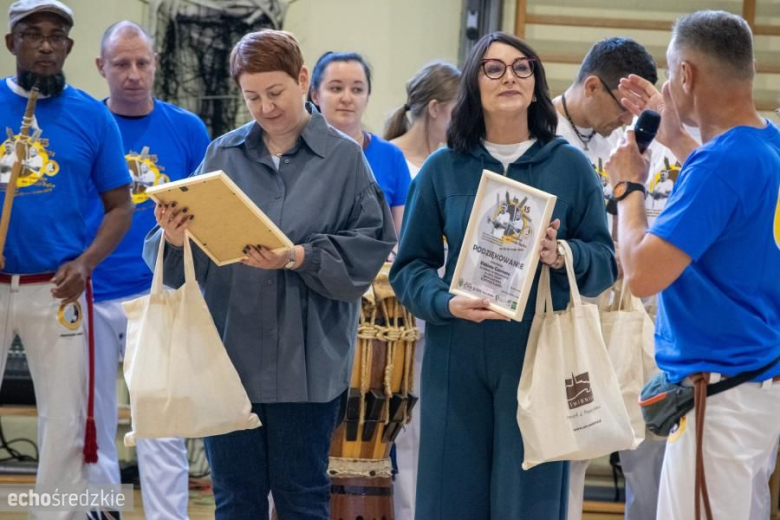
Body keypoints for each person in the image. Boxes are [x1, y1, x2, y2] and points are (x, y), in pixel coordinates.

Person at [143, 29, 396, 520]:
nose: (265, 107)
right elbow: (173, 261)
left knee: (301, 496)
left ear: (303, 80)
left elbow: (369, 248)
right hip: (228, 360)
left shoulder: (345, 160)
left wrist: (297, 256)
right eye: (252, 97)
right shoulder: (222, 155)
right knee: (235, 498)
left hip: (309, 367)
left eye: (275, 93)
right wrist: (173, 237)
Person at [389, 31, 616, 520]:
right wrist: (443, 301)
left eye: (521, 67)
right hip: (456, 352)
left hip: (538, 351)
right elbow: (409, 268)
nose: (509, 77)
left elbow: (605, 261)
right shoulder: (442, 169)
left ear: (536, 83)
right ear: (474, 84)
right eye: (493, 68)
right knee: (450, 500)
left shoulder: (571, 167)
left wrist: (565, 255)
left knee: (529, 503)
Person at [606, 10, 780, 520]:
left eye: (669, 70)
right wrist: (678, 137)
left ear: (686, 74)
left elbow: (641, 274)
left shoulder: (720, 164)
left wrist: (627, 187)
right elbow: (728, 202)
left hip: (718, 399)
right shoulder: (766, 144)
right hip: (753, 385)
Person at [0, 1, 133, 519]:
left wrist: (87, 262)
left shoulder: (92, 115)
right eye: (33, 34)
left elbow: (120, 207)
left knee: (65, 421)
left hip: (58, 287)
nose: (46, 45)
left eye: (57, 35)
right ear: (12, 44)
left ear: (71, 48)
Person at [84, 21, 211, 520]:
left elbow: (205, 210)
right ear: (101, 67)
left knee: (161, 425)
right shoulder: (86, 123)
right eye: (121, 64)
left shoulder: (187, 129)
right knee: (89, 424)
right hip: (91, 293)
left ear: (156, 63)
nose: (134, 74)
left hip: (158, 293)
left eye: (142, 62)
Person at [551, 37, 667, 520]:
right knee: (570, 453)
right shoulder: (539, 130)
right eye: (623, 108)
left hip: (633, 311)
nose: (627, 120)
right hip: (569, 313)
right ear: (592, 86)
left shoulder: (633, 138)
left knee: (651, 445)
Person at [381, 60, 459, 520]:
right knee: (402, 426)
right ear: (435, 109)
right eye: (459, 111)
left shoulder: (455, 163)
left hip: (446, 306)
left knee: (436, 423)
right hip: (396, 311)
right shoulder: (392, 159)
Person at [309, 51, 410, 235]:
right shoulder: (298, 152)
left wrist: (393, 251)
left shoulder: (391, 156)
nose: (347, 98)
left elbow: (401, 237)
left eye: (357, 90)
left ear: (367, 96)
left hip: (376, 263)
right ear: (315, 95)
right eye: (336, 88)